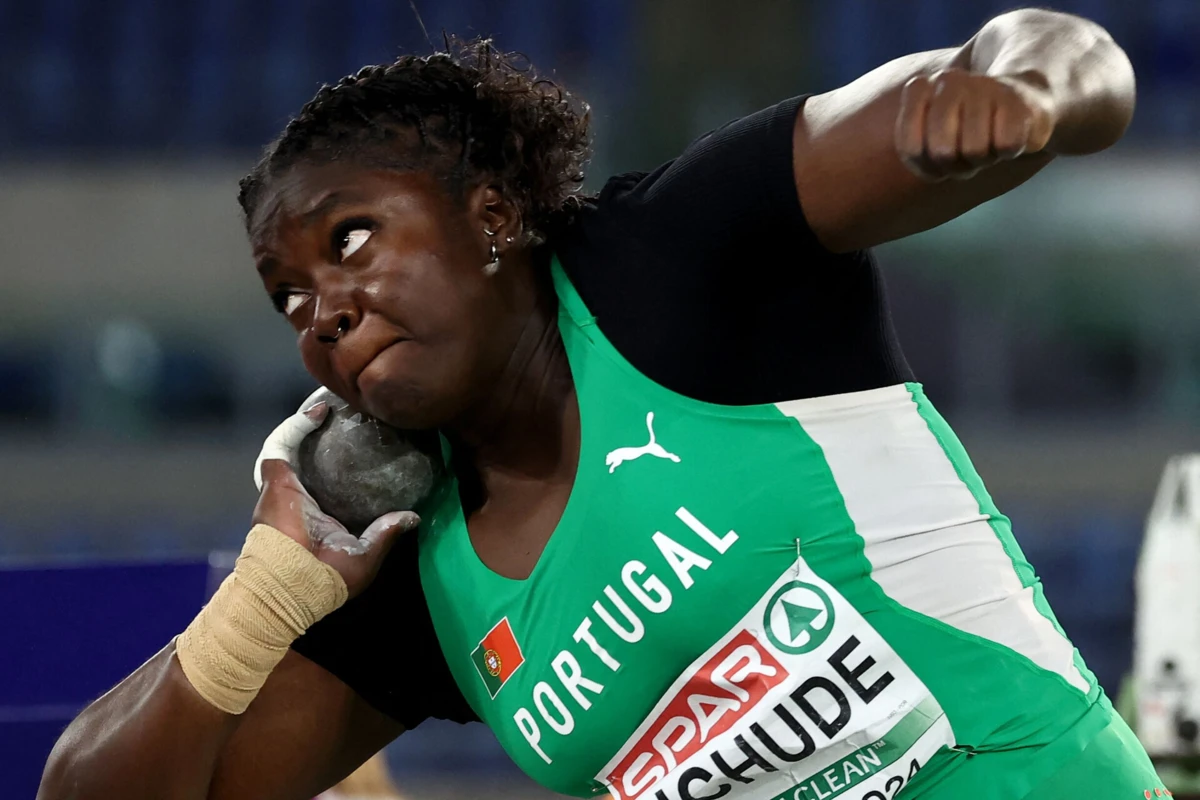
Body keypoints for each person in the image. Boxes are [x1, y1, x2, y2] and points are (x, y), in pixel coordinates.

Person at [38, 9, 1149, 800]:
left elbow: (1043, 49)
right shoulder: (413, 561)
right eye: (288, 295)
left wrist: (1028, 93)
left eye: (352, 239)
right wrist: (265, 594)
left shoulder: (681, 259)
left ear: (491, 216)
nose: (322, 309)